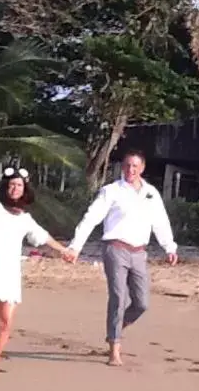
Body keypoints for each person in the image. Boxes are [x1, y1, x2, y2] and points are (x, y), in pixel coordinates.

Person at [0, 163, 70, 382]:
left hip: (9, 273)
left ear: (24, 189)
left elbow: (43, 237)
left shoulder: (25, 218)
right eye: (12, 185)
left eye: (19, 185)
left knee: (5, 324)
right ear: (5, 187)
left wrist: (64, 251)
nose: (15, 188)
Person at [63, 150, 178, 366]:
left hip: (139, 252)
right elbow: (90, 218)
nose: (130, 170)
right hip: (115, 248)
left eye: (135, 166)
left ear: (142, 168)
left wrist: (169, 247)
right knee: (118, 296)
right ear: (122, 167)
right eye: (127, 166)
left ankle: (115, 328)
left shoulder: (151, 193)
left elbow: (161, 222)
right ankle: (114, 348)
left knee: (141, 303)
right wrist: (75, 246)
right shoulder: (111, 191)